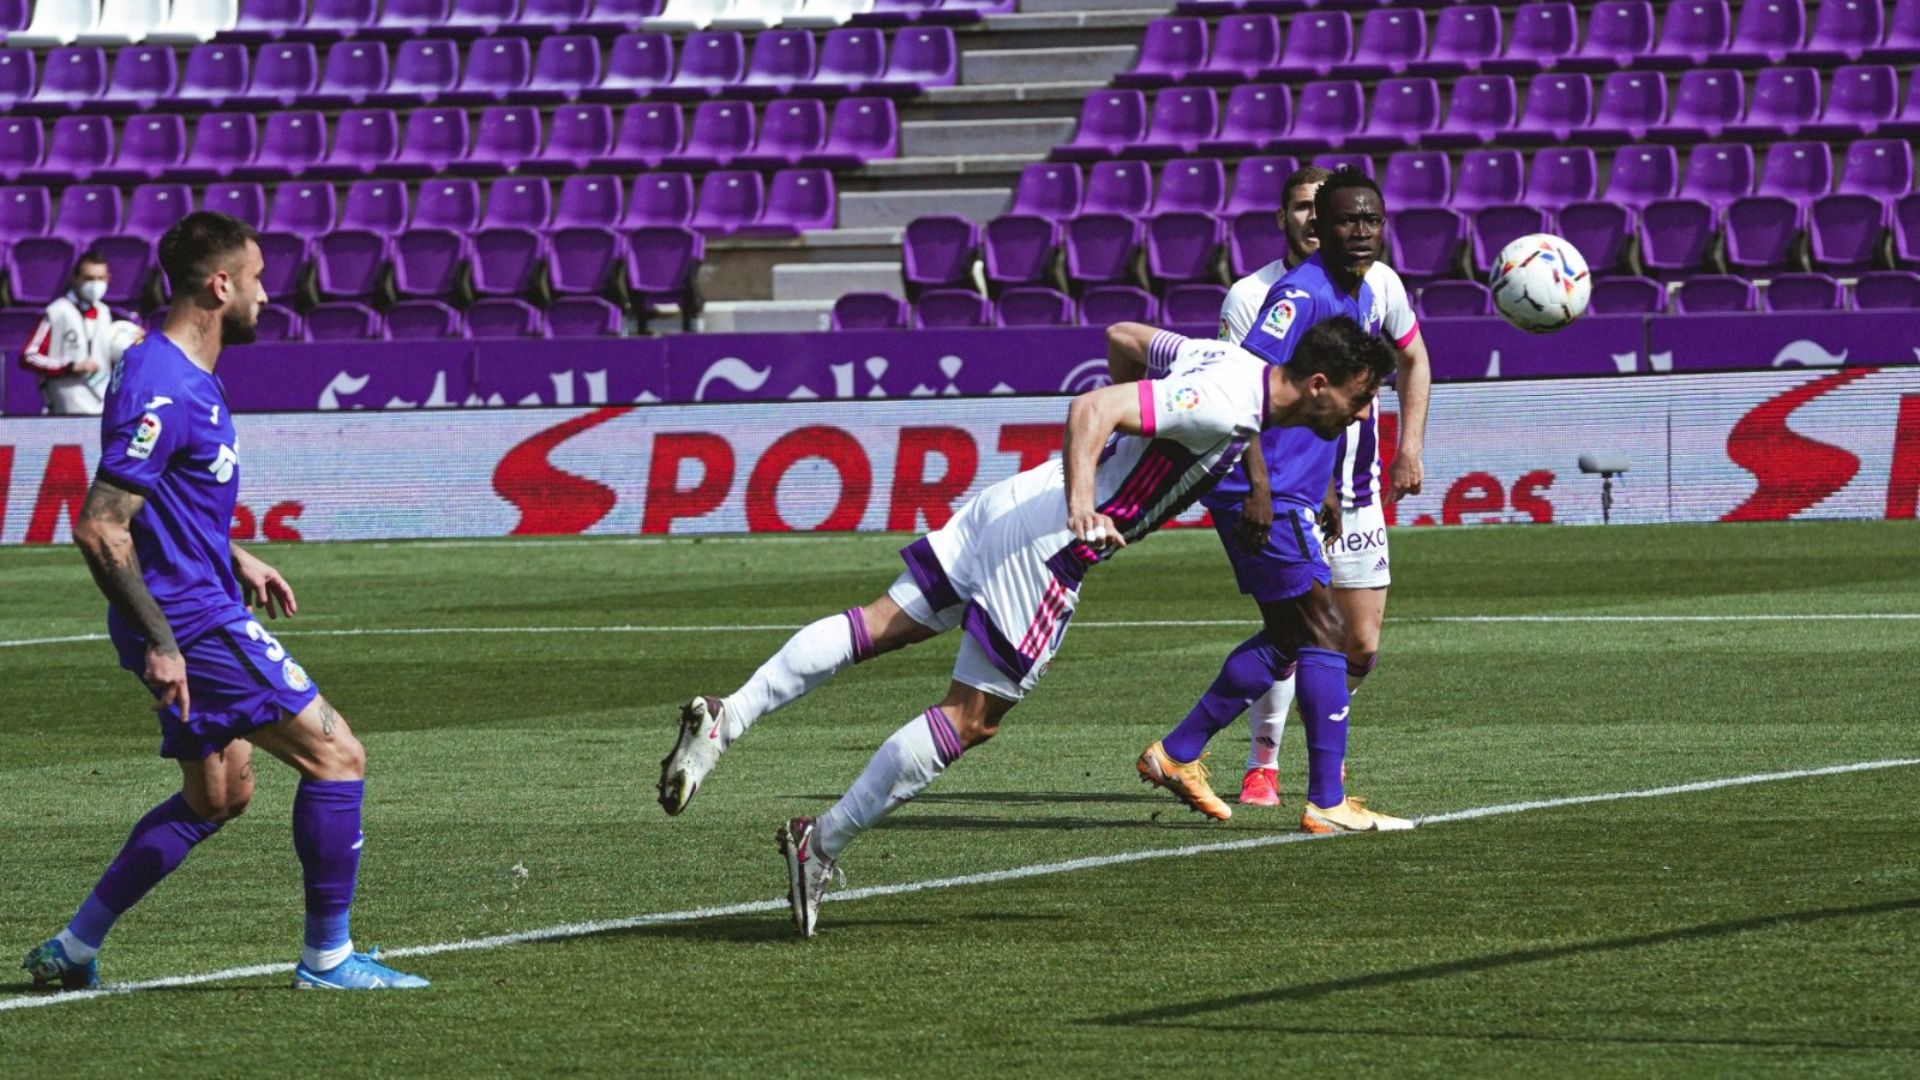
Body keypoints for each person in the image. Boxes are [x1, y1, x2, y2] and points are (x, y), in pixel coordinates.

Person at [657, 317, 1393, 938]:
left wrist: (1101, 472)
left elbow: (1125, 338)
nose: (1362, 416)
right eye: (1361, 400)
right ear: (1322, 384)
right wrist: (1088, 500)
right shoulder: (1225, 403)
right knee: (971, 718)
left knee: (877, 624)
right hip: (1046, 545)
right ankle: (819, 845)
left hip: (1012, 503)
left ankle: (729, 715)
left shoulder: (1229, 362)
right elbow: (1092, 409)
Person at [21, 213, 428, 993]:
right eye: (257, 279)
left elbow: (161, 496)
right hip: (193, 622)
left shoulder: (180, 376)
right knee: (338, 758)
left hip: (196, 600)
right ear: (220, 286)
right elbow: (101, 528)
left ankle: (74, 948)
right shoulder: (162, 383)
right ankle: (329, 962)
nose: (267, 296)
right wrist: (164, 642)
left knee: (217, 796)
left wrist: (233, 553)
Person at [1134, 167, 1419, 833]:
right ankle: (1326, 800)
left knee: (1292, 634)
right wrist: (1261, 484)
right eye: (1346, 220)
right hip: (1260, 483)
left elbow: (1311, 397)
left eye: (1370, 221)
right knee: (1324, 630)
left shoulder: (1358, 294)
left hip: (1296, 484)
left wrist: (1321, 483)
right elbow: (1245, 381)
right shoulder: (1299, 294)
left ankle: (1177, 753)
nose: (1359, 232)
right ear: (1318, 226)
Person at [1218, 167, 1433, 809]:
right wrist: (1260, 481)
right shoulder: (1256, 295)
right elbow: (1243, 390)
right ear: (1287, 218)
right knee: (1306, 631)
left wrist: (1409, 446)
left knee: (1357, 643)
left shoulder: (1378, 285)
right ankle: (1269, 764)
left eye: (1330, 210)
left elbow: (1414, 358)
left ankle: (1306, 750)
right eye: (1308, 209)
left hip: (1354, 486)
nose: (1320, 221)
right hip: (1288, 488)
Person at [17, 252, 139, 416]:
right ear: (75, 278)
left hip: (101, 407)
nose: (96, 285)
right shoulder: (57, 311)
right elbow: (29, 356)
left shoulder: (104, 313)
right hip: (67, 410)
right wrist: (70, 366)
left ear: (108, 279)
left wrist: (133, 343)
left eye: (101, 278)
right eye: (89, 278)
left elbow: (107, 356)